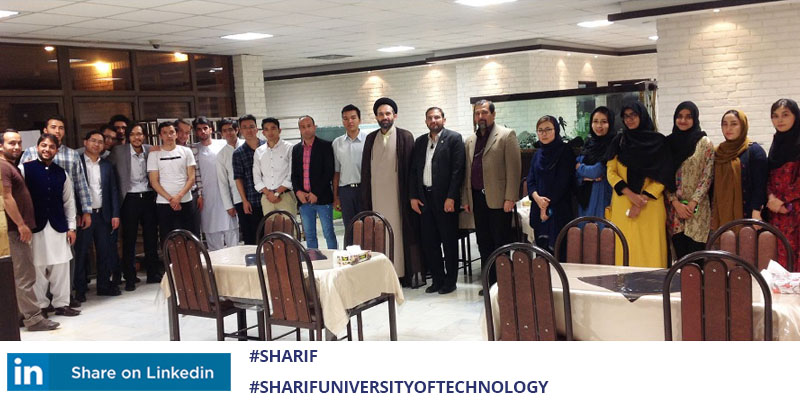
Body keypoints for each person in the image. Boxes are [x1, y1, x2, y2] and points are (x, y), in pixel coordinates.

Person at [20, 114, 91, 308]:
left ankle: (62, 303)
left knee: (61, 265)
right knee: (38, 265)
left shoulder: (63, 171)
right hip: (35, 224)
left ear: (56, 150)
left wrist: (72, 226)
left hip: (59, 223)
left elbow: (70, 200)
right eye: (43, 146)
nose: (47, 149)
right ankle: (41, 306)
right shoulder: (24, 168)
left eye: (51, 147)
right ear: (37, 146)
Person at [0, 129, 60, 330]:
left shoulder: (10, 166)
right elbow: (6, 197)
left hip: (15, 229)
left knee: (18, 276)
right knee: (25, 276)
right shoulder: (3, 166)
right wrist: (21, 224)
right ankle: (34, 319)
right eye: (11, 143)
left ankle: (19, 315)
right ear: (1, 146)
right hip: (14, 230)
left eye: (19, 142)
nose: (17, 147)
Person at [361, 97, 423, 286]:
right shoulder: (370, 139)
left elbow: (412, 171)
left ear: (394, 115)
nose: (384, 117)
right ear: (376, 117)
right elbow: (365, 170)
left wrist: (412, 195)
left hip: (398, 198)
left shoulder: (405, 136)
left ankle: (401, 273)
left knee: (399, 233)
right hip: (376, 197)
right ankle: (381, 274)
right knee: (379, 233)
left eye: (388, 113)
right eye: (380, 114)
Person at [461, 99, 521, 290]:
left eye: (484, 112)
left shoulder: (506, 135)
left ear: (493, 115)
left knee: (500, 242)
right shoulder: (470, 140)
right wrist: (466, 198)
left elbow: (514, 170)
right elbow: (467, 172)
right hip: (477, 198)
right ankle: (489, 282)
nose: (481, 116)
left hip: (499, 200)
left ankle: (504, 284)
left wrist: (510, 197)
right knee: (483, 242)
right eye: (477, 113)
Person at [606, 102, 674, 268]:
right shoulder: (619, 141)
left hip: (649, 205)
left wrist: (641, 200)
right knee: (625, 249)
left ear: (642, 116)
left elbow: (664, 176)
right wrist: (631, 195)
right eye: (626, 116)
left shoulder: (659, 142)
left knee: (651, 250)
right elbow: (611, 172)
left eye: (633, 115)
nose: (629, 119)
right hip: (623, 203)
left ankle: (655, 284)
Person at [409, 107, 465, 294]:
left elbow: (458, 171)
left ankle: (450, 281)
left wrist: (451, 197)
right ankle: (437, 279)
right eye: (430, 118)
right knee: (429, 242)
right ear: (426, 121)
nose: (433, 120)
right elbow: (414, 171)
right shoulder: (420, 142)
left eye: (437, 117)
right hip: (424, 199)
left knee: (448, 241)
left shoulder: (454, 139)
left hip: (445, 200)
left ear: (443, 120)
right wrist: (413, 196)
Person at [109, 122, 160, 289]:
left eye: (139, 134)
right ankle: (130, 277)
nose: (136, 138)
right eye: (132, 134)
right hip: (129, 198)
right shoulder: (119, 151)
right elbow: (108, 168)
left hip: (148, 196)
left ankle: (153, 273)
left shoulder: (150, 150)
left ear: (144, 136)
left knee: (151, 237)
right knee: (129, 239)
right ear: (128, 137)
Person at [74, 130, 121, 300]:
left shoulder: (107, 165)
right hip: (84, 216)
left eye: (100, 142)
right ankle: (80, 289)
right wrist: (77, 213)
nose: (97, 144)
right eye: (93, 140)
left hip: (103, 215)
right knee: (81, 253)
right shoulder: (77, 162)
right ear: (85, 142)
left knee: (104, 251)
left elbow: (113, 191)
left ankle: (103, 285)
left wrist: (115, 214)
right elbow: (73, 190)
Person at [664, 101, 714, 259]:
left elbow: (707, 175)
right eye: (679, 116)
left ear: (695, 119)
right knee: (679, 260)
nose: (683, 120)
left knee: (696, 259)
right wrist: (675, 203)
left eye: (688, 117)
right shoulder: (667, 144)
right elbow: (664, 175)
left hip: (697, 211)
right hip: (674, 211)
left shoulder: (704, 143)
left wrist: (692, 203)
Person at [527, 115, 575, 256]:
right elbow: (530, 181)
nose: (544, 133)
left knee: (559, 254)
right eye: (540, 130)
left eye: (548, 129)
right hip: (538, 208)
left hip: (559, 210)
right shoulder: (537, 155)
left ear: (556, 130)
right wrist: (538, 200)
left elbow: (563, 183)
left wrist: (545, 206)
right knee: (541, 255)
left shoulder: (565, 151)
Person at [712, 110, 767, 229]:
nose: (728, 128)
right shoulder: (718, 152)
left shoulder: (754, 151)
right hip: (721, 216)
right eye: (725, 124)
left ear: (743, 125)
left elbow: (760, 186)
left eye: (734, 124)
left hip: (748, 217)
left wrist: (756, 211)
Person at [147, 121, 197, 244]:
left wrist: (179, 197)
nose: (169, 136)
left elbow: (191, 178)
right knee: (168, 239)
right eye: (165, 133)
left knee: (189, 238)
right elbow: (154, 181)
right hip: (164, 202)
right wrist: (171, 199)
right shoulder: (154, 154)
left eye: (171, 132)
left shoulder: (186, 151)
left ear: (176, 134)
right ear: (160, 136)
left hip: (185, 200)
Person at [291, 116, 337, 249]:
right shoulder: (296, 149)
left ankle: (333, 258)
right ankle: (313, 260)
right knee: (310, 235)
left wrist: (315, 192)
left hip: (322, 198)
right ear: (299, 129)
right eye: (303, 127)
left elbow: (328, 172)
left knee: (328, 233)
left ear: (314, 127)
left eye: (309, 126)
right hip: (304, 200)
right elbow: (294, 174)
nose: (306, 129)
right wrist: (298, 192)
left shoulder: (326, 146)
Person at [766, 98, 800, 271]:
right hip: (777, 213)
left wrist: (783, 200)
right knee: (781, 258)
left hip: (795, 210)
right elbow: (769, 176)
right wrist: (771, 198)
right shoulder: (776, 144)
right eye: (775, 116)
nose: (780, 120)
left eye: (785, 115)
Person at [193, 116, 237, 250]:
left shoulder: (223, 144)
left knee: (233, 240)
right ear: (195, 132)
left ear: (211, 129)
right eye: (199, 129)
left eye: (205, 128)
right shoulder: (193, 149)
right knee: (213, 243)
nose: (202, 131)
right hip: (207, 200)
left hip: (227, 198)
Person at [333, 104, 367, 246]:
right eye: (345, 118)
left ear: (360, 120)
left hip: (364, 189)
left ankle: (368, 256)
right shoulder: (337, 143)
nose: (349, 121)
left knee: (366, 226)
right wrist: (336, 197)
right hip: (346, 191)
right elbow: (336, 172)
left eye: (353, 118)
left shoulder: (368, 139)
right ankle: (350, 256)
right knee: (349, 227)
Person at [575, 107, 616, 219]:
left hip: (602, 195)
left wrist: (580, 168)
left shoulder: (613, 144)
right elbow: (575, 172)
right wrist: (585, 177)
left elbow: (597, 171)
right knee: (584, 227)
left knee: (601, 226)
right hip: (585, 195)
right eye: (595, 121)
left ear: (610, 123)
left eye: (604, 122)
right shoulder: (588, 143)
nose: (599, 126)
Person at [253, 117, 296, 217]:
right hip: (267, 198)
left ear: (279, 130)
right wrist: (269, 194)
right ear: (263, 133)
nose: (270, 132)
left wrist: (277, 193)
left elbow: (292, 174)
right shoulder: (259, 151)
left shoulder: (289, 148)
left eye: (273, 128)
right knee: (270, 226)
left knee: (289, 226)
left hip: (285, 196)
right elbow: (256, 177)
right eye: (266, 129)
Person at [232, 115, 265, 245]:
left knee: (272, 235)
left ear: (257, 129)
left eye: (251, 126)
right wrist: (244, 201)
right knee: (254, 238)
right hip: (253, 200)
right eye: (245, 127)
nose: (249, 130)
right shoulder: (238, 153)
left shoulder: (267, 145)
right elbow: (238, 178)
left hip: (271, 198)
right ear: (240, 130)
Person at [215, 118, 243, 245]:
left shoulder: (247, 145)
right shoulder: (221, 154)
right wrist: (229, 205)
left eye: (231, 129)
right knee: (246, 231)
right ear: (221, 134)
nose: (228, 133)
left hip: (255, 195)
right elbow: (223, 182)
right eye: (225, 131)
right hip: (237, 197)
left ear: (237, 130)